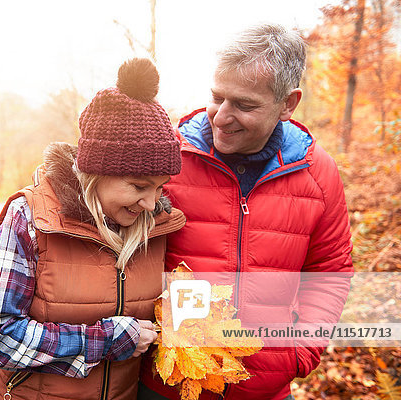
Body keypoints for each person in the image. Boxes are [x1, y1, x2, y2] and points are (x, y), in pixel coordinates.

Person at [139, 24, 354, 400]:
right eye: (217, 97)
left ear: (288, 104)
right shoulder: (167, 156)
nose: (220, 116)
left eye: (244, 104)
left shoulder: (318, 173)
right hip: (164, 385)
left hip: (264, 388)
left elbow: (330, 270)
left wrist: (299, 353)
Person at [0, 58, 186, 400]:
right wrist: (108, 340)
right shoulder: (31, 218)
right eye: (138, 186)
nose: (151, 203)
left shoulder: (156, 227)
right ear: (96, 172)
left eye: (160, 188)